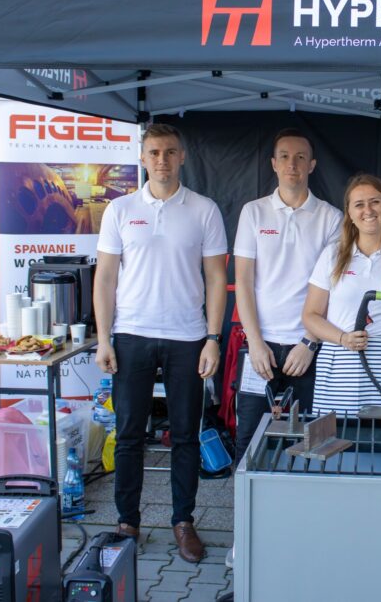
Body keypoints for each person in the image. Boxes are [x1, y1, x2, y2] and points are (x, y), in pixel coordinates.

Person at [93, 123, 228, 564]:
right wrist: (104, 338)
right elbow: (106, 278)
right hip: (131, 334)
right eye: (154, 152)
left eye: (170, 152)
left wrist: (213, 338)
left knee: (186, 435)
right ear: (143, 158)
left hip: (187, 336)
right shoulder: (120, 209)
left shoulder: (204, 210)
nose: (162, 160)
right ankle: (127, 523)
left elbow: (216, 278)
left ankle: (183, 521)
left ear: (182, 156)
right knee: (129, 434)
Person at [232, 128, 341, 463]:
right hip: (259, 346)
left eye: (300, 157)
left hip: (307, 348)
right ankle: (246, 499)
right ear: (274, 164)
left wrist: (310, 342)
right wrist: (255, 343)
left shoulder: (331, 217)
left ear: (312, 165)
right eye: (284, 157)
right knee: (249, 438)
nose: (292, 164)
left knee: (307, 441)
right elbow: (243, 281)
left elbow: (335, 289)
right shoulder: (253, 212)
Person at [303, 174, 381, 413]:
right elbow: (310, 315)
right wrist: (343, 338)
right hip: (339, 368)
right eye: (359, 204)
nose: (368, 210)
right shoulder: (332, 255)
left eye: (375, 202)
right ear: (349, 213)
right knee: (337, 436)